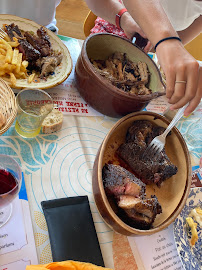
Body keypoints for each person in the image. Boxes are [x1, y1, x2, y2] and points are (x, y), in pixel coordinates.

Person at [85, 0, 202, 116]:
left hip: (147, 45)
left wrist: (163, 44)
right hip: (116, 17)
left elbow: (171, 45)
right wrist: (125, 20)